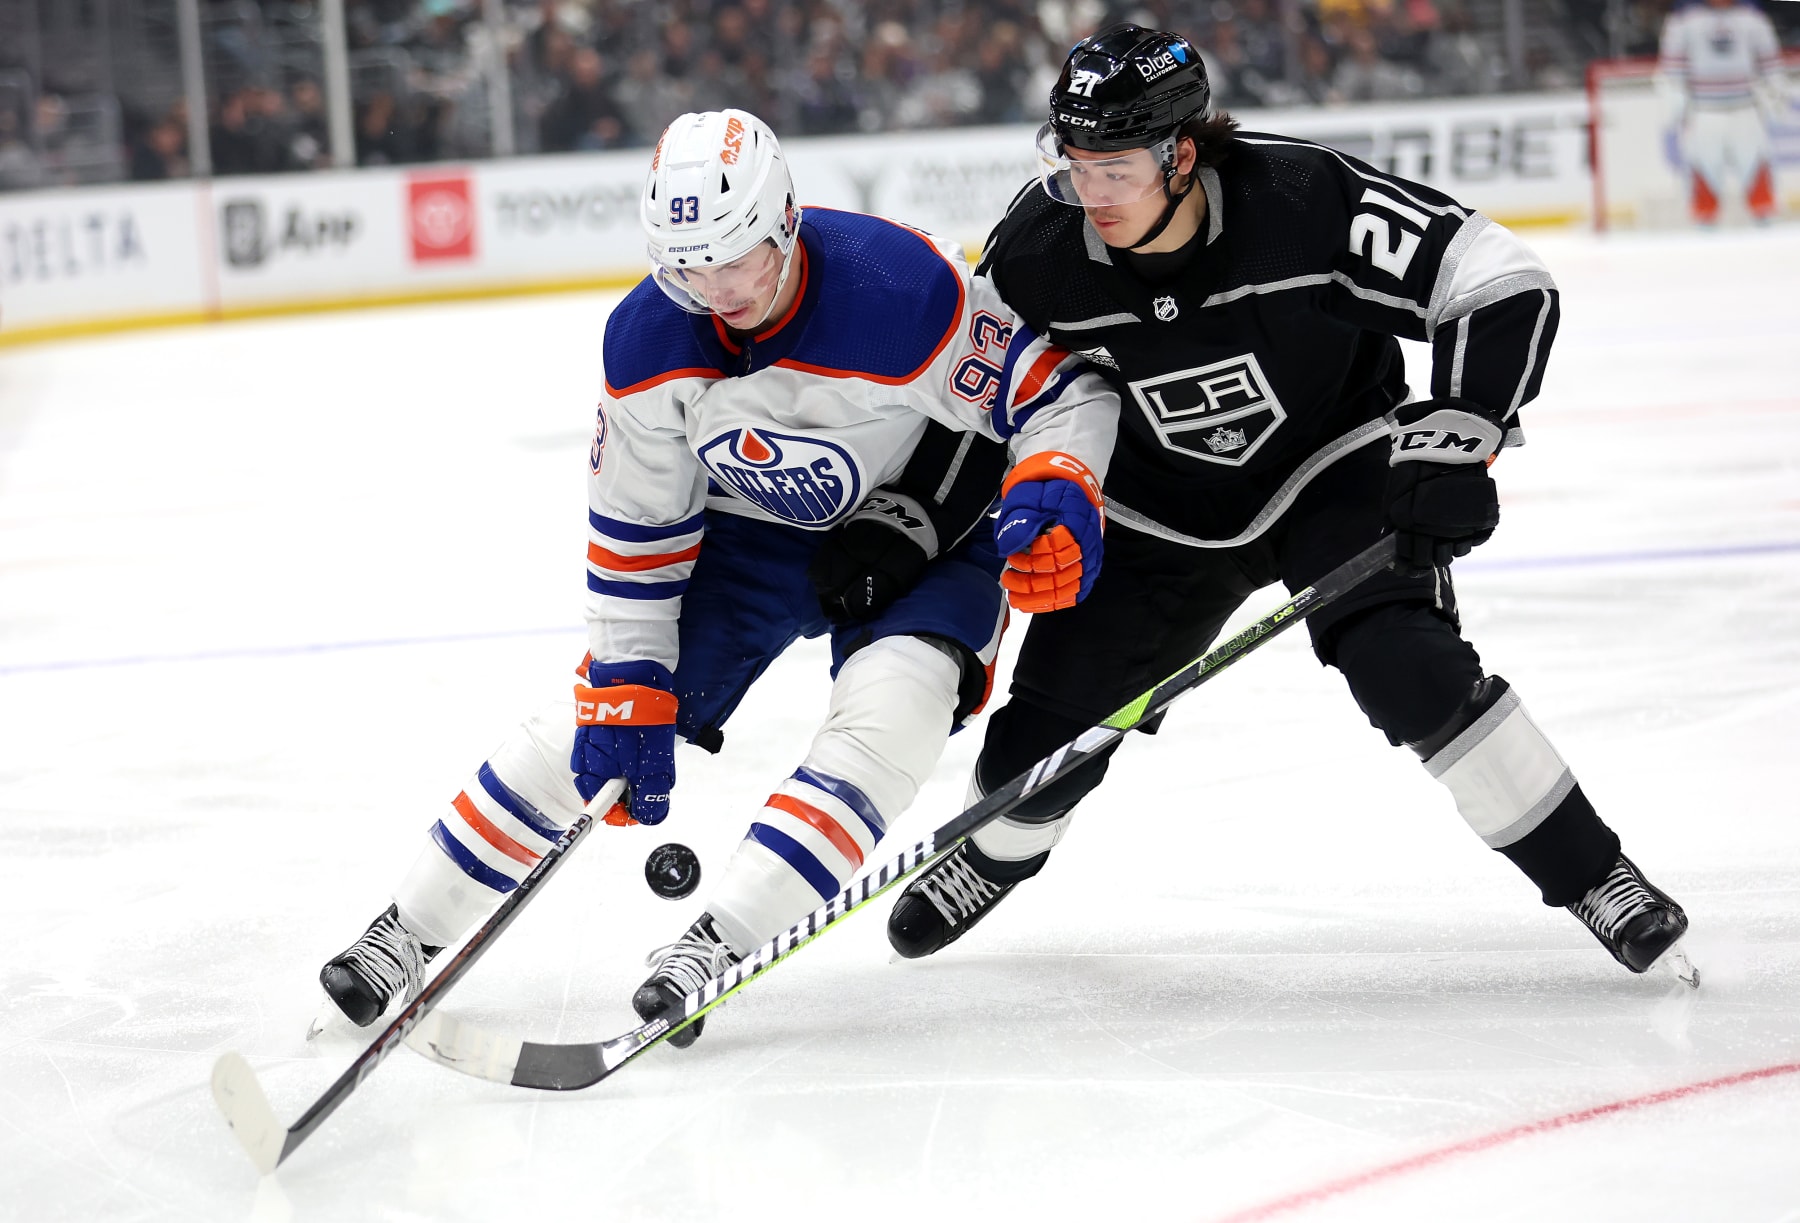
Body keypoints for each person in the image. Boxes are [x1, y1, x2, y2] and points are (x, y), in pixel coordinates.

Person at [886, 25, 1694, 986]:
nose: (1088, 195)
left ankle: (1597, 876)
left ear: (1181, 155)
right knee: (1043, 733)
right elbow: (980, 399)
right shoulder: (1036, 253)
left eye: (1114, 171)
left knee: (1408, 665)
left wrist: (1465, 429)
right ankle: (990, 853)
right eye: (1072, 167)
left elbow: (1501, 281)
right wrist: (906, 521)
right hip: (1159, 513)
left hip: (1330, 468)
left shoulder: (1305, 199)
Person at [315, 109, 1118, 1046]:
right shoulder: (649, 341)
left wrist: (1059, 480)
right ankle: (405, 930)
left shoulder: (897, 288)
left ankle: (720, 939)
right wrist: (627, 677)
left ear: (784, 221)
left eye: (734, 260)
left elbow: (1058, 389)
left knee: (894, 708)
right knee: (592, 726)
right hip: (748, 538)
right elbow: (636, 530)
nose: (714, 291)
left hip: (930, 526)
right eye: (685, 266)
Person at [1657, 0, 1787, 225]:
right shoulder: (1683, 22)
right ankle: (1705, 234)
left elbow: (1772, 66)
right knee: (1704, 180)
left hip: (1746, 110)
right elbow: (1672, 72)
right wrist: (1675, 107)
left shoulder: (1753, 19)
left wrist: (1776, 97)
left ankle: (1765, 228)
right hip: (1705, 112)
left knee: (1758, 176)